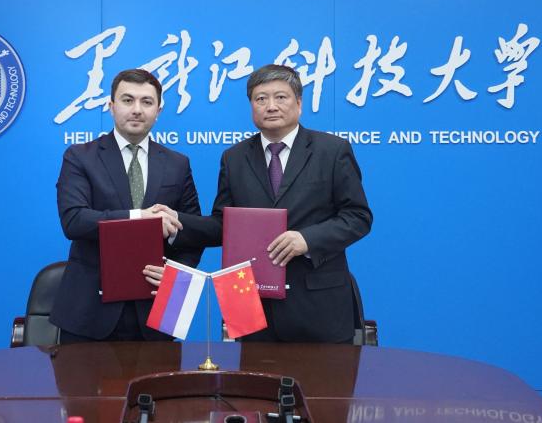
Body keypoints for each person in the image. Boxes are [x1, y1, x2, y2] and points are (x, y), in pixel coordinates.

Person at [211, 64, 373, 343]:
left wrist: (307, 240)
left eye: (281, 97)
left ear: (299, 103)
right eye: (261, 99)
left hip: (319, 306)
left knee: (326, 374)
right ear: (251, 106)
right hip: (252, 304)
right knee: (251, 372)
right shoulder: (234, 157)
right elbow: (222, 224)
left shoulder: (332, 150)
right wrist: (176, 223)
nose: (271, 106)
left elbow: (358, 216)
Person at [50, 68, 207, 342]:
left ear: (158, 111)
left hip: (157, 309)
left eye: (147, 102)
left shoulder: (177, 164)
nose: (137, 110)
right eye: (127, 100)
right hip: (90, 312)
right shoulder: (80, 157)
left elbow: (192, 232)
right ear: (111, 106)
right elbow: (74, 221)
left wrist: (176, 275)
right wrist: (139, 217)